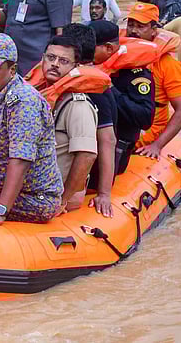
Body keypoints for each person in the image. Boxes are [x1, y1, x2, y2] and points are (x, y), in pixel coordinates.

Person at [0, 34, 64, 225]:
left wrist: (0, 211)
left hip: (33, 197)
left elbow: (20, 161)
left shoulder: (23, 102)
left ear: (12, 70)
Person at [29, 36, 107, 211]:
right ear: (42, 59)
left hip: (57, 192)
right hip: (36, 183)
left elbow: (87, 155)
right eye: (50, 58)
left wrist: (63, 200)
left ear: (75, 67)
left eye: (63, 61)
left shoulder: (77, 105)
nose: (55, 64)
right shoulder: (38, 95)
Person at [62, 23, 119, 218]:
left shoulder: (93, 88)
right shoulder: (72, 80)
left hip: (85, 174)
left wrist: (104, 193)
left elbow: (108, 140)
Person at [124, 3, 181, 160]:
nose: (133, 31)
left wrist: (157, 145)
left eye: (141, 26)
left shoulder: (168, 65)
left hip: (147, 136)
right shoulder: (118, 56)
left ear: (154, 30)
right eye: (131, 25)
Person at [91, 20, 154, 174]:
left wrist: (110, 89)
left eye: (90, 48)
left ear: (108, 48)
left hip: (115, 151)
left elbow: (145, 118)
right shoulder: (84, 67)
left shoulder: (137, 75)